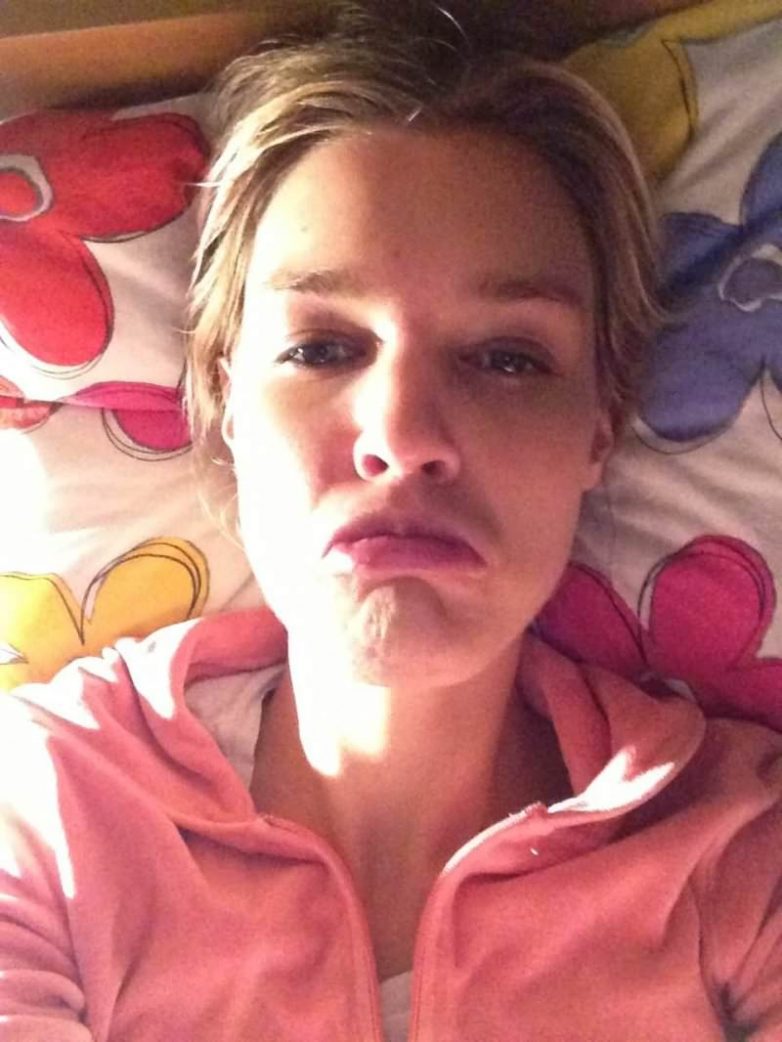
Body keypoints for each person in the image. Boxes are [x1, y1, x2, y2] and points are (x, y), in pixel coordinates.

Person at [1, 3, 780, 1040]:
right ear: (225, 402)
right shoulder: (46, 811)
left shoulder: (737, 849)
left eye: (507, 358)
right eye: (321, 349)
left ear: (600, 424)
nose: (404, 437)